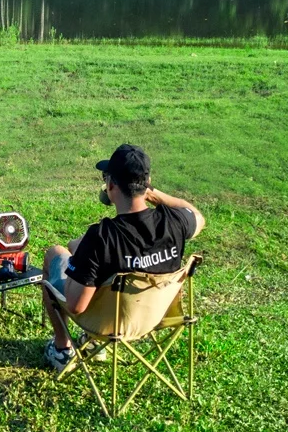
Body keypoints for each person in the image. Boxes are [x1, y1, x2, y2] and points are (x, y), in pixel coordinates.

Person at [41, 143, 205, 371]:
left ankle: (62, 348)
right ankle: (91, 347)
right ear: (147, 182)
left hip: (107, 323)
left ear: (110, 185)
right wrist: (152, 193)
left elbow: (76, 306)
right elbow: (197, 215)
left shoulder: (101, 237)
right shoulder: (174, 223)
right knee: (78, 251)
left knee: (55, 254)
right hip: (153, 317)